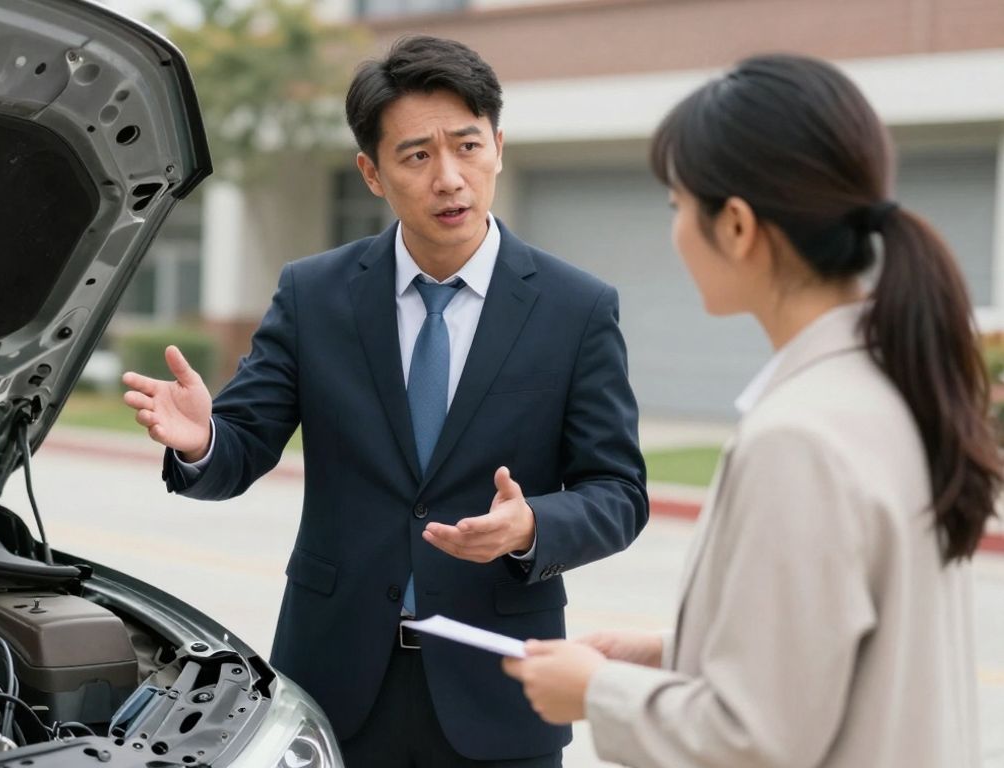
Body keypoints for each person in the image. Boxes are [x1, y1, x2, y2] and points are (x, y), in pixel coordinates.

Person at [122, 35, 648, 768]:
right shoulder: (315, 294)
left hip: (497, 691)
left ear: (498, 145)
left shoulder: (577, 308)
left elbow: (619, 492)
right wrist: (203, 440)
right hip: (334, 686)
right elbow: (240, 448)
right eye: (417, 156)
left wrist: (532, 526)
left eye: (467, 147)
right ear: (371, 171)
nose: (449, 178)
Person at [503, 53, 1001, 768]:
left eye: (678, 208)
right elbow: (838, 658)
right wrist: (668, 654)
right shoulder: (897, 390)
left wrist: (598, 692)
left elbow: (756, 740)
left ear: (735, 226)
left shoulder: (799, 438)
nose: (674, 232)